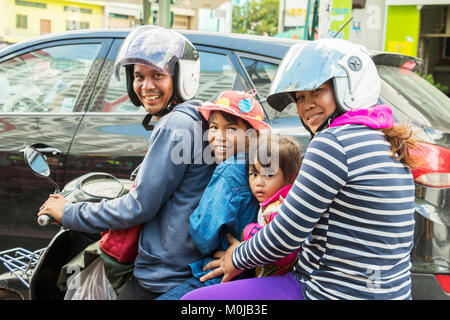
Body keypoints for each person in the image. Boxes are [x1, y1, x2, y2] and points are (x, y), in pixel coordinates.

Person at [181, 38, 419, 300]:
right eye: (300, 97)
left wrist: (234, 258)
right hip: (390, 292)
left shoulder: (334, 141)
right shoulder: (382, 138)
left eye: (316, 91)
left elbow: (285, 235)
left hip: (327, 291)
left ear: (347, 86)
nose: (306, 106)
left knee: (195, 302)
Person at [37, 25, 216, 300]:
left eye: (157, 75)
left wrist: (71, 213)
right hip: (186, 264)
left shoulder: (174, 125)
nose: (146, 86)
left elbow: (139, 207)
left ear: (181, 77)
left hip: (164, 275)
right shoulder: (195, 118)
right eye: (139, 76)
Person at [156, 90, 271, 300]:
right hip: (246, 269)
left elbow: (203, 235)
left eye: (232, 129)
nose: (219, 137)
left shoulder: (228, 171)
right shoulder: (255, 166)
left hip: (218, 272)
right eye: (214, 128)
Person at [243, 134, 302, 277]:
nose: (258, 182)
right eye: (253, 174)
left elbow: (283, 254)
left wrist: (250, 232)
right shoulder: (269, 203)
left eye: (268, 175)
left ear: (292, 178)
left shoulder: (280, 208)